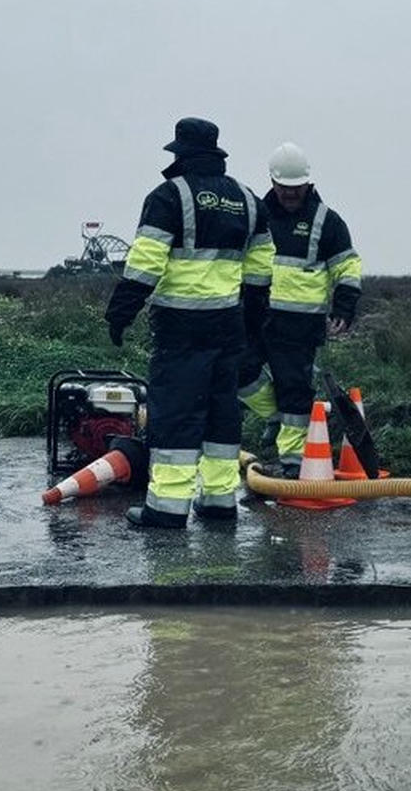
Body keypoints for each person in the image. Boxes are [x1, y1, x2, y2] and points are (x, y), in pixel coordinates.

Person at [106, 117, 272, 528]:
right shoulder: (249, 200)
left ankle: (167, 508)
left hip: (181, 328)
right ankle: (218, 502)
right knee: (221, 413)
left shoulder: (168, 196)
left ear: (179, 154)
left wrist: (121, 311)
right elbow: (260, 274)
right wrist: (253, 330)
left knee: (177, 414)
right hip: (229, 325)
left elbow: (145, 263)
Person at [237, 142, 363, 474]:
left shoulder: (328, 221)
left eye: (296, 187)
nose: (290, 194)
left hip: (299, 326)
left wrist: (345, 306)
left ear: (308, 182)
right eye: (284, 187)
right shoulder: (256, 216)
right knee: (240, 372)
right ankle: (274, 416)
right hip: (255, 317)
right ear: (272, 181)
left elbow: (347, 267)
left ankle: (293, 464)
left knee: (295, 392)